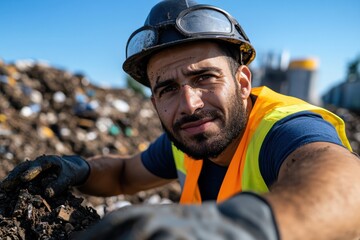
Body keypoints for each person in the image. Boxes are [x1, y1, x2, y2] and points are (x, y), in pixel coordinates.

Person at [2, 0, 360, 239]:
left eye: (205, 78)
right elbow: (126, 173)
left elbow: (347, 187)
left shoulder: (282, 130)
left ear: (242, 82)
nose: (188, 104)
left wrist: (237, 226)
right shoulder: (189, 141)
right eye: (168, 89)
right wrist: (79, 169)